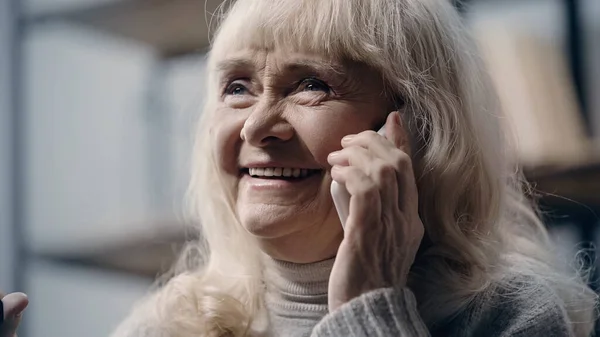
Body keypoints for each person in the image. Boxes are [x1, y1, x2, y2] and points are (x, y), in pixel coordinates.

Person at [2, 0, 595, 336]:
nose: (259, 126)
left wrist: (369, 308)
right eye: (237, 87)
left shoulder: (513, 317)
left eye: (312, 85)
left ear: (413, 129)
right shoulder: (164, 327)